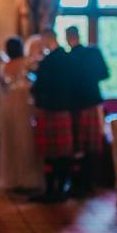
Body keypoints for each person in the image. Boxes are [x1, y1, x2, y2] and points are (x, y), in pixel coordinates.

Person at [64, 25, 109, 197]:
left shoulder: (69, 57)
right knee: (90, 146)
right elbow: (105, 74)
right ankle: (88, 182)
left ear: (69, 37)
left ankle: (78, 184)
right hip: (92, 102)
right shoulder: (93, 53)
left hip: (76, 105)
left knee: (77, 146)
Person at [0, 36, 43, 195]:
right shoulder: (26, 62)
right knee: (25, 140)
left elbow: (2, 88)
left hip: (8, 104)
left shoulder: (3, 66)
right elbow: (36, 79)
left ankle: (11, 178)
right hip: (23, 103)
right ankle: (28, 178)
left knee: (10, 140)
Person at [31, 27, 74, 201]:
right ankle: (61, 189)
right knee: (63, 152)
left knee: (49, 153)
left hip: (50, 110)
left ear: (48, 39)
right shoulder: (67, 58)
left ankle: (50, 190)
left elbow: (38, 87)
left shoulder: (48, 61)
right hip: (64, 109)